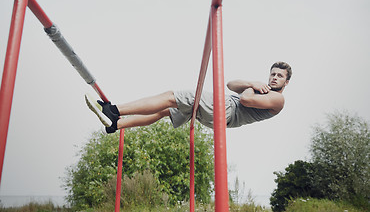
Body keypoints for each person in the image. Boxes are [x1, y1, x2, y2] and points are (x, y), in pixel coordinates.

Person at [85, 61, 292, 133]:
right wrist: (252, 83)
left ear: (286, 82)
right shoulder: (260, 88)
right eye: (272, 74)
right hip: (221, 115)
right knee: (166, 110)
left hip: (225, 109)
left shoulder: (278, 100)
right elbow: (231, 84)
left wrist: (252, 87)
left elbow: (245, 99)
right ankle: (116, 125)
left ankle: (114, 111)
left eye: (279, 76)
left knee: (170, 96)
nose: (274, 78)